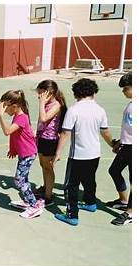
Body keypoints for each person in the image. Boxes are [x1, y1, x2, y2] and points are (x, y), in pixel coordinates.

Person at [52, 78, 114, 226]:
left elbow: (66, 133)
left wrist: (58, 153)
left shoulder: (74, 110)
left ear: (76, 93)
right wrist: (113, 144)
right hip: (95, 154)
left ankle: (72, 215)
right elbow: (105, 131)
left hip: (78, 155)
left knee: (71, 186)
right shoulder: (100, 110)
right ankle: (91, 203)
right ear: (94, 92)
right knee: (89, 179)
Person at [0, 89, 44, 219]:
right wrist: (13, 149)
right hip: (24, 153)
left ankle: (34, 206)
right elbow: (15, 136)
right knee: (23, 179)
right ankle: (28, 201)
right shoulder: (17, 116)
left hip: (28, 154)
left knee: (19, 180)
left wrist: (0, 115)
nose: (5, 110)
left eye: (6, 107)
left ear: (15, 106)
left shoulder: (22, 118)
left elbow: (7, 132)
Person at [33, 80, 67, 207]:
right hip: (41, 138)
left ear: (50, 93)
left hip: (50, 140)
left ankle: (48, 196)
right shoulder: (46, 103)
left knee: (48, 167)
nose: (39, 96)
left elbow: (44, 118)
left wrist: (41, 103)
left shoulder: (56, 105)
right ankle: (45, 187)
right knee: (43, 165)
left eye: (41, 93)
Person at [107, 72, 132, 226]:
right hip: (127, 145)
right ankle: (124, 200)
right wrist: (120, 143)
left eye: (126, 88)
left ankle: (131, 212)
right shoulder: (131, 103)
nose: (123, 91)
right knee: (114, 170)